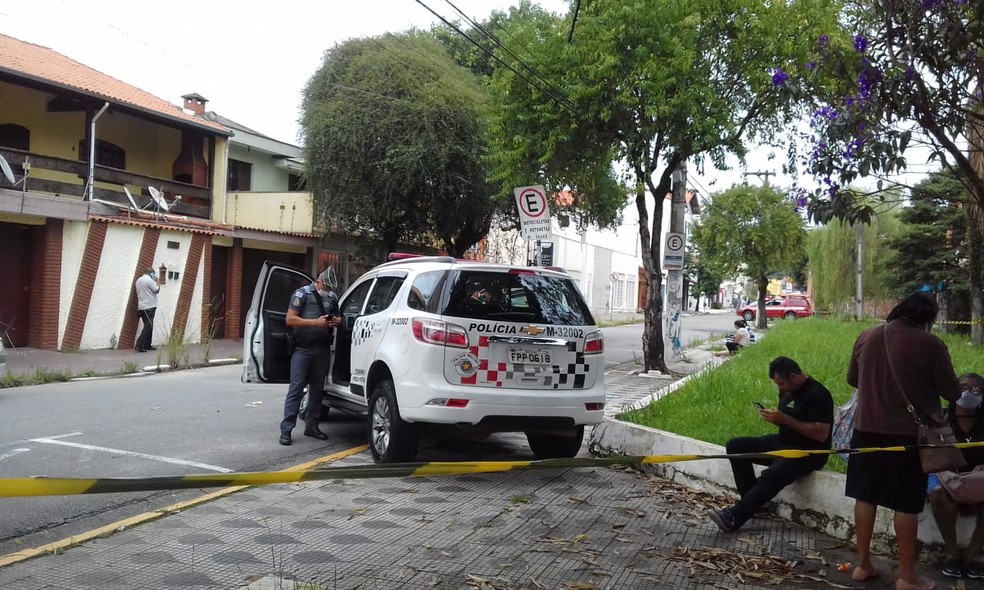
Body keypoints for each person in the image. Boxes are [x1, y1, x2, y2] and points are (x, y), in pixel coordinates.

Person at [845, 292, 961, 590]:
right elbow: (953, 393)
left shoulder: (867, 336)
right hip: (907, 437)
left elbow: (852, 379)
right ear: (928, 320)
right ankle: (907, 577)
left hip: (865, 431)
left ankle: (862, 566)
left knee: (865, 496)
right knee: (906, 505)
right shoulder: (930, 344)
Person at [708, 356, 833, 532]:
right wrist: (775, 419)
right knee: (736, 446)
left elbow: (821, 434)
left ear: (793, 377)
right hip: (784, 441)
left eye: (781, 384)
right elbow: (788, 419)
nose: (780, 388)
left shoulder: (818, 394)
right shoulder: (787, 392)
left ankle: (735, 516)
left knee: (772, 475)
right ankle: (753, 503)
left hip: (809, 451)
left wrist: (786, 420)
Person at [928, 373, 984, 580]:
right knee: (937, 493)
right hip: (948, 477)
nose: (967, 393)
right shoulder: (941, 421)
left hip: (979, 480)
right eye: (962, 388)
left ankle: (974, 553)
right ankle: (951, 553)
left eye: (975, 389)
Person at [279, 267, 340, 446]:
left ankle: (312, 426)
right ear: (319, 281)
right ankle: (286, 430)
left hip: (322, 349)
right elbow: (290, 319)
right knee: (296, 388)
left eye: (330, 289)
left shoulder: (332, 298)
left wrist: (337, 321)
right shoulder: (302, 294)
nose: (327, 291)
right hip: (303, 349)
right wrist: (314, 322)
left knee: (317, 390)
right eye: (325, 287)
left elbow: (338, 316)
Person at [134, 267, 160, 353]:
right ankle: (139, 344)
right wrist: (158, 281)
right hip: (149, 306)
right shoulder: (149, 280)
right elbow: (156, 290)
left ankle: (147, 344)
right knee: (148, 325)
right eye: (154, 273)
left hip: (142, 306)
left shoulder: (138, 280)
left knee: (149, 325)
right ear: (151, 273)